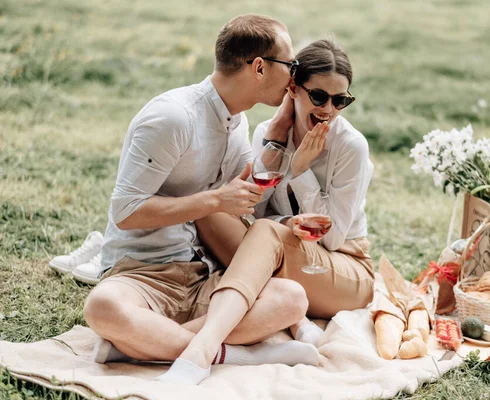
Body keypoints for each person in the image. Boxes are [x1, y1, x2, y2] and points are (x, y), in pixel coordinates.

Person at [83, 14, 320, 386]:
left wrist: (282, 211)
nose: (294, 75)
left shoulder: (237, 122)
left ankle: (140, 346)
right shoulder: (172, 119)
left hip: (202, 275)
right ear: (258, 67)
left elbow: (240, 205)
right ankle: (234, 354)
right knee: (102, 307)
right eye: (289, 64)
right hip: (142, 275)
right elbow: (126, 212)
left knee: (291, 298)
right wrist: (212, 201)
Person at [196, 39, 375, 344]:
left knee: (264, 234)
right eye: (319, 97)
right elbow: (256, 211)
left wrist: (301, 171)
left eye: (340, 100)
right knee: (207, 211)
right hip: (286, 252)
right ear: (293, 89)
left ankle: (195, 340)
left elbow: (332, 238)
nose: (329, 110)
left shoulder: (350, 146)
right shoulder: (268, 132)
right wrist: (275, 146)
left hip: (344, 266)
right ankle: (296, 319)